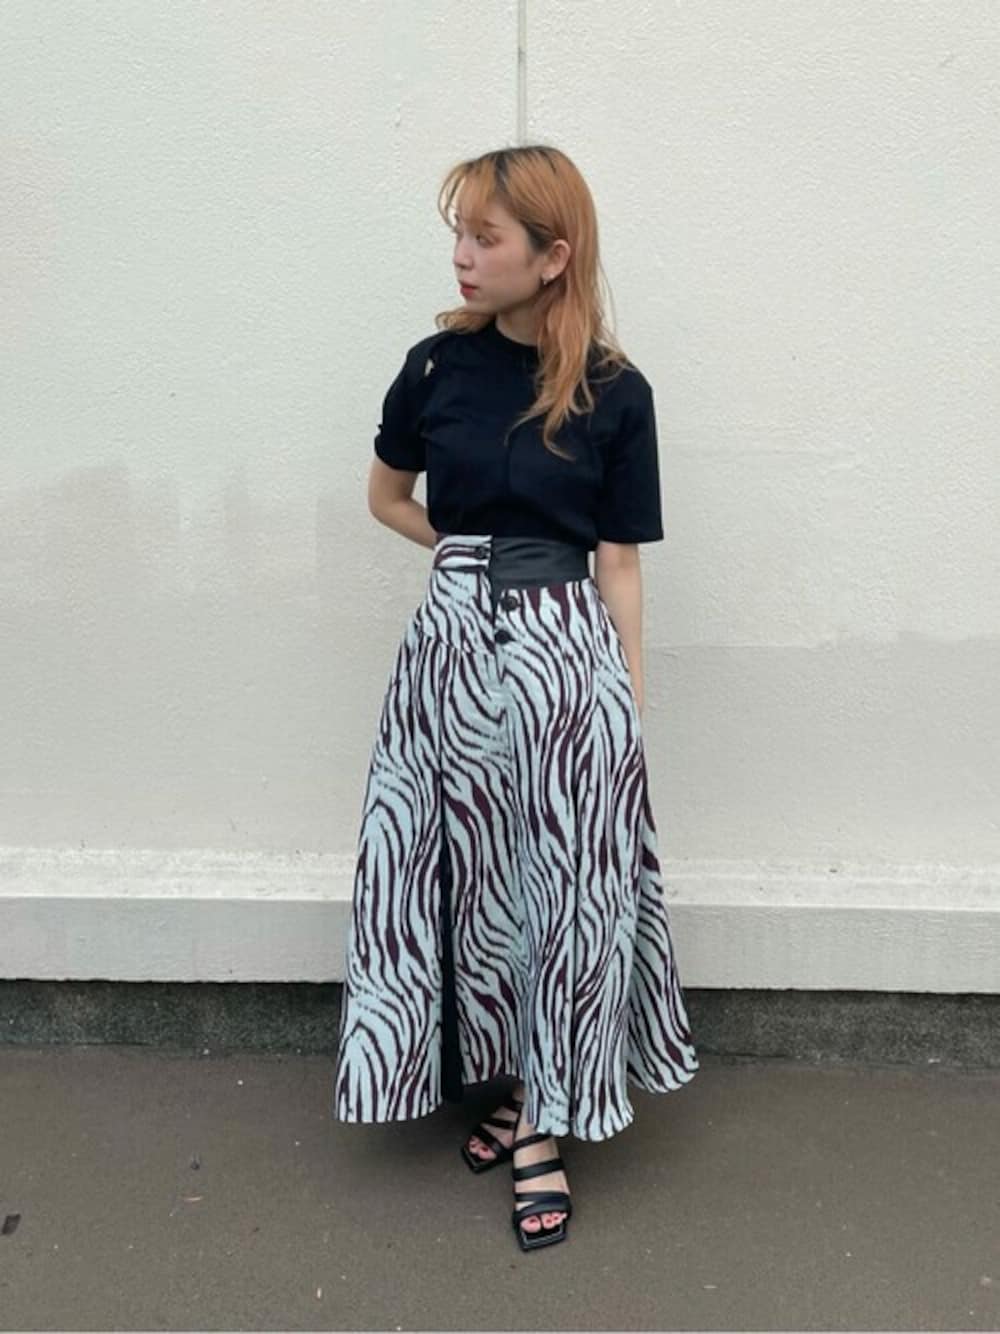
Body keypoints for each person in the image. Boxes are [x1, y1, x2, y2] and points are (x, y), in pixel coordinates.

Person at [332, 144, 698, 1253]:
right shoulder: (433, 369)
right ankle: (508, 1076)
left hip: (565, 661)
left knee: (567, 884)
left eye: (484, 236)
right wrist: (469, 555)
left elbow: (619, 561)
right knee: (465, 874)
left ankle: (544, 1117)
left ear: (552, 256)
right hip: (446, 658)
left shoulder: (615, 393)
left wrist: (625, 700)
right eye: (459, 232)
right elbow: (386, 497)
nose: (461, 254)